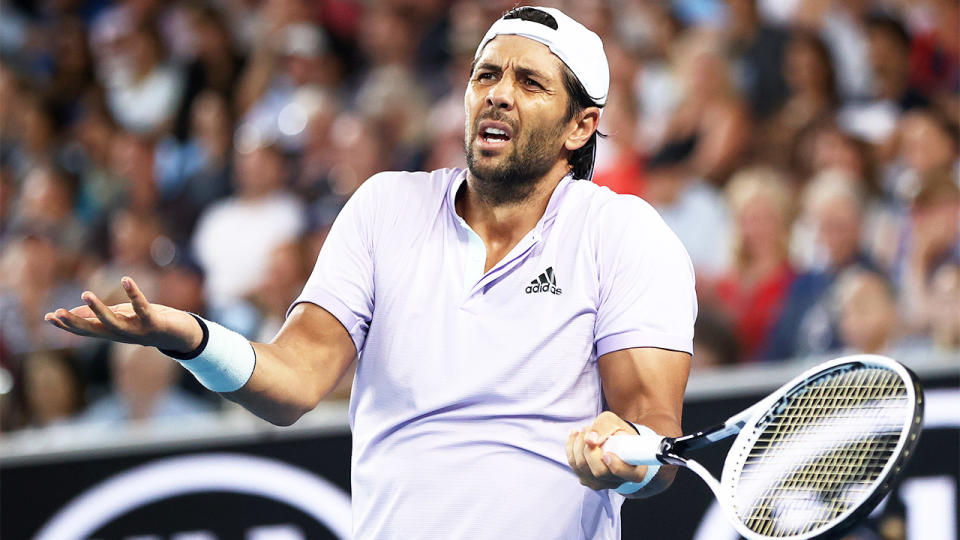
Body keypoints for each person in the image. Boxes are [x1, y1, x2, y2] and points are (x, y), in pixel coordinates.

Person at [44, 7, 696, 539]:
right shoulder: (385, 207)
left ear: (580, 127)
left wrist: (623, 455)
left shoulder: (625, 234)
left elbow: (652, 433)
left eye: (529, 83)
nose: (498, 93)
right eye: (485, 75)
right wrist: (190, 337)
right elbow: (295, 381)